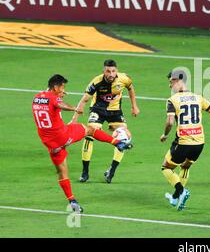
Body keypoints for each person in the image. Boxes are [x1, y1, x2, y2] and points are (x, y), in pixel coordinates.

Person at [32, 74, 132, 212]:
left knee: (62, 172)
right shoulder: (55, 99)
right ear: (55, 87)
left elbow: (50, 102)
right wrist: (74, 108)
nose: (63, 90)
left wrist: (58, 96)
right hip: (62, 135)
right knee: (90, 130)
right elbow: (59, 104)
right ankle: (118, 143)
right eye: (62, 88)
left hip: (50, 144)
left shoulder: (37, 97)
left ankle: (72, 200)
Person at [160, 70, 210, 211]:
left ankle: (180, 191)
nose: (169, 85)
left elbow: (170, 122)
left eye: (170, 82)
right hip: (199, 143)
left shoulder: (173, 100)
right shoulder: (198, 97)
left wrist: (165, 135)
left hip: (183, 142)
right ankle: (176, 198)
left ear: (177, 80)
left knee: (166, 167)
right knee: (185, 167)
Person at [75, 59, 140, 184]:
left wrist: (134, 106)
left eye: (113, 71)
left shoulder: (124, 78)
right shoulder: (97, 81)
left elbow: (131, 89)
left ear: (117, 70)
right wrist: (75, 119)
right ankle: (85, 172)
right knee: (89, 135)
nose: (111, 74)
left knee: (125, 138)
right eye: (108, 71)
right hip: (98, 110)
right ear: (104, 71)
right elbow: (84, 100)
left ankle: (111, 171)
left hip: (115, 112)